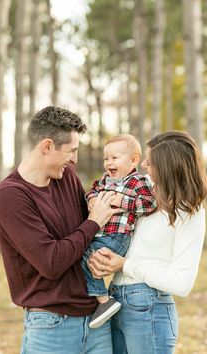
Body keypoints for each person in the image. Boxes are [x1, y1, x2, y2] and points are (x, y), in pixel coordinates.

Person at [0, 106, 124, 354]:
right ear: (47, 146)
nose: (75, 159)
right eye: (72, 151)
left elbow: (89, 236)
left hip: (97, 321)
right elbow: (51, 262)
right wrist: (94, 221)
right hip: (52, 328)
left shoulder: (67, 176)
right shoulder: (10, 196)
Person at [88, 130, 207, 354]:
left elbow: (182, 283)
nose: (143, 164)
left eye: (150, 162)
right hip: (114, 300)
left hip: (148, 307)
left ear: (168, 166)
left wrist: (124, 265)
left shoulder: (188, 210)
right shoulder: (140, 194)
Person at [82, 134, 156, 329]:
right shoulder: (104, 180)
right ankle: (100, 300)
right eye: (106, 159)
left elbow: (149, 204)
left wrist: (121, 201)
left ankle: (103, 301)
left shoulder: (138, 182)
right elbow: (92, 191)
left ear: (133, 160)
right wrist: (91, 200)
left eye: (115, 158)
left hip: (118, 236)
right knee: (85, 257)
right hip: (101, 234)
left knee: (87, 258)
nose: (108, 163)